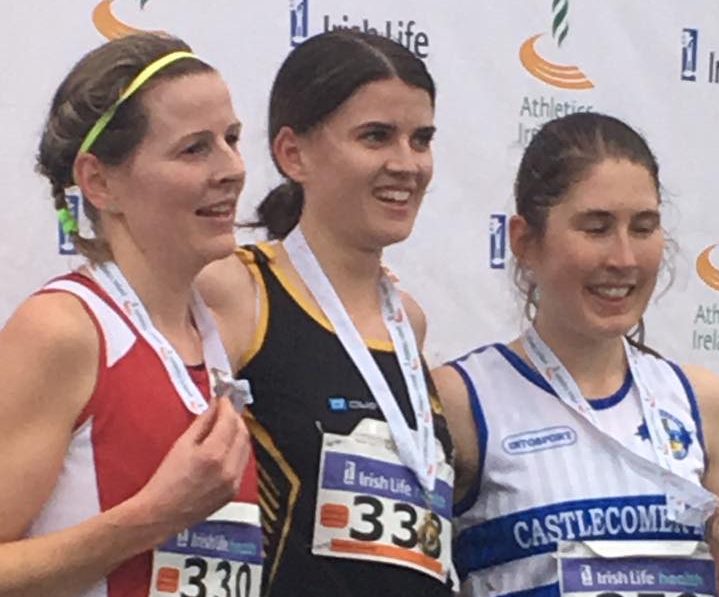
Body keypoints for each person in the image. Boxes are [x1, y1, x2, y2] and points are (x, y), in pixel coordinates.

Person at [433, 112, 719, 597]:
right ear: (525, 241)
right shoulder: (462, 397)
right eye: (597, 228)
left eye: (643, 228)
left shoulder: (697, 398)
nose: (624, 259)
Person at [0, 33, 259, 597]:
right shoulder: (63, 331)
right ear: (99, 182)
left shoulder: (216, 332)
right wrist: (152, 517)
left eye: (232, 139)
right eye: (194, 149)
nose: (232, 168)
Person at [198, 30, 455, 596]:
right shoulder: (238, 290)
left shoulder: (407, 321)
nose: (407, 164)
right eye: (376, 136)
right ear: (293, 154)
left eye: (421, 139)